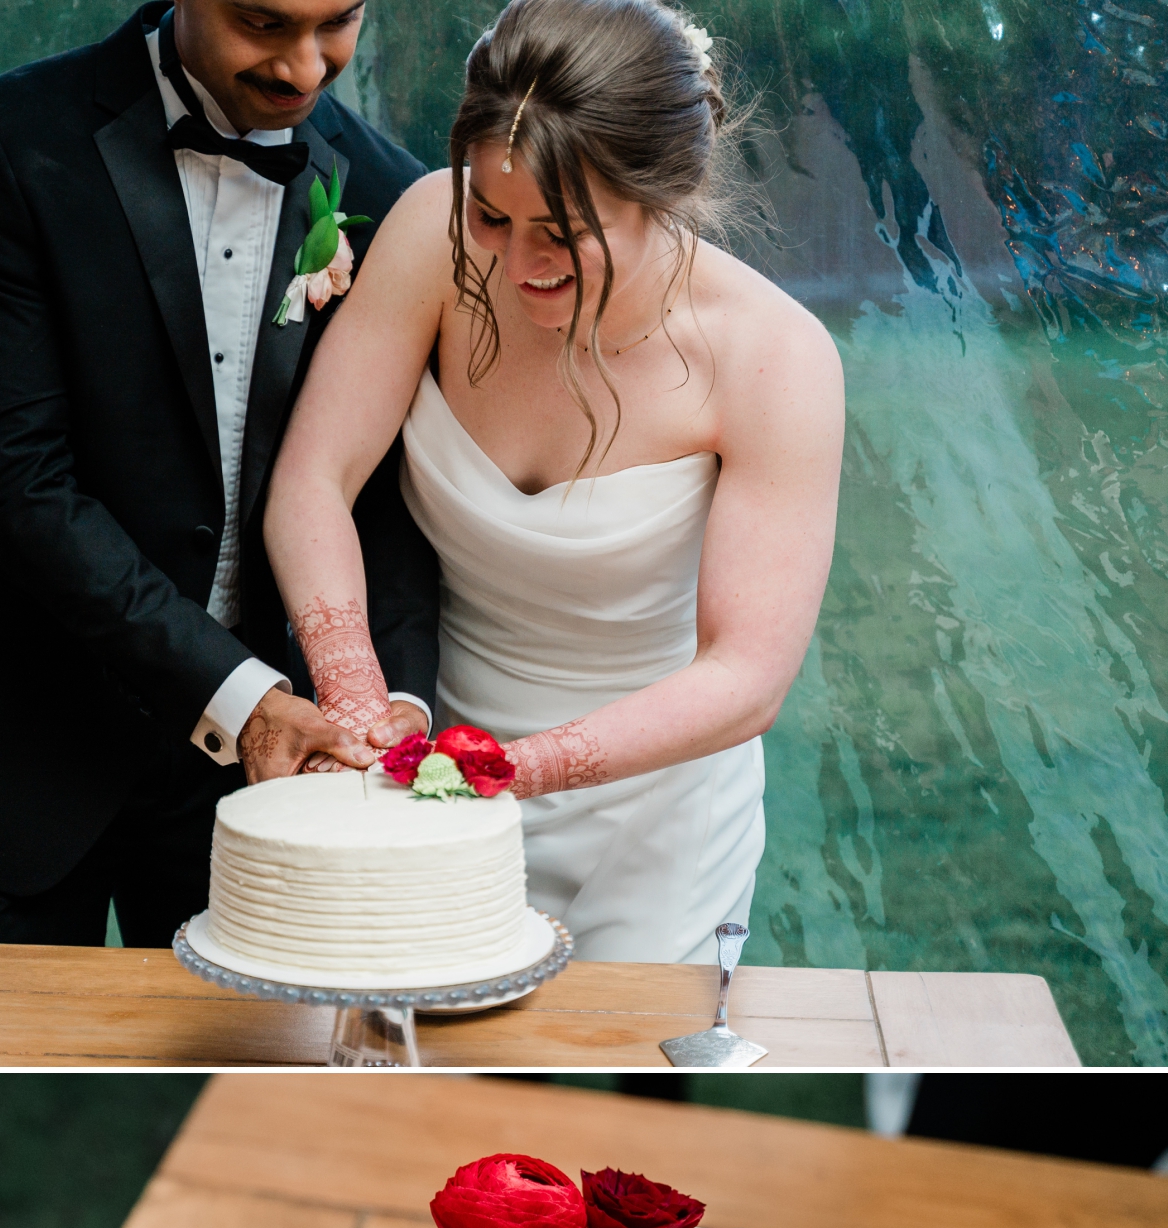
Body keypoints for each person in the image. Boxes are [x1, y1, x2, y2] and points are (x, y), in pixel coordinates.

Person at [0, 0, 435, 948]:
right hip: (23, 735)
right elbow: (20, 485)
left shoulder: (394, 193)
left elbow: (389, 499)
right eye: (263, 22)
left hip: (271, 785)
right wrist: (239, 699)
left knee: (241, 1091)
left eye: (338, 22)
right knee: (3, 1083)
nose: (303, 69)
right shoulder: (3, 145)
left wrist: (394, 699)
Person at [266, 0, 844, 962]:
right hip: (433, 781)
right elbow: (313, 481)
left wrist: (517, 771)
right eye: (493, 214)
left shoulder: (776, 360)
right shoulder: (433, 232)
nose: (518, 261)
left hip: (657, 814)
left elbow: (745, 678)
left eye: (564, 230)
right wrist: (363, 704)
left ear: (666, 189)